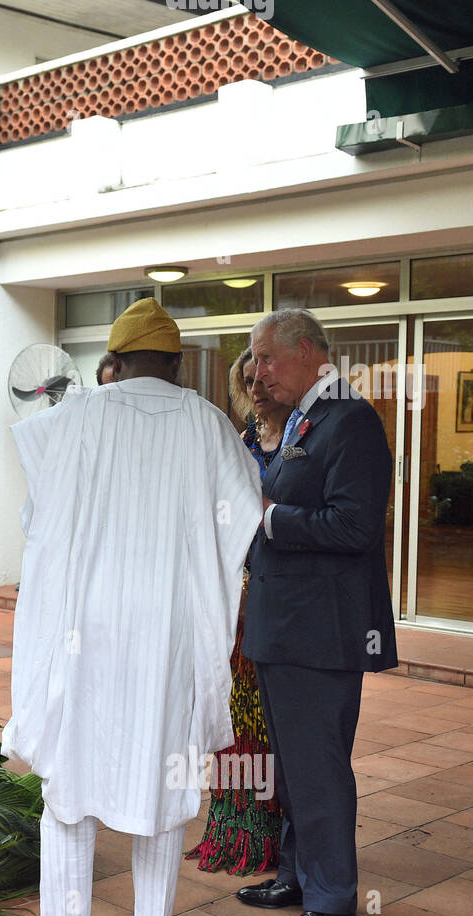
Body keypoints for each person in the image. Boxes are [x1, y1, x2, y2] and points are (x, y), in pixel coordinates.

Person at [5, 298, 263, 916]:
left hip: (84, 634)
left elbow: (38, 513)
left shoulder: (77, 417)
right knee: (164, 780)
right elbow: (246, 523)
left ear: (115, 361)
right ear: (176, 363)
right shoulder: (208, 425)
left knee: (71, 782)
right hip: (169, 638)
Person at [238, 308, 398, 916]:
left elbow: (355, 526)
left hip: (320, 633)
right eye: (253, 359)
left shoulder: (351, 420)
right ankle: (298, 875)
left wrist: (270, 519)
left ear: (308, 353)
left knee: (319, 766)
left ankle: (332, 899)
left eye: (266, 357)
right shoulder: (303, 418)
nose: (257, 370)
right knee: (294, 763)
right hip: (284, 628)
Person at [186, 348, 289, 875]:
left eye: (264, 379)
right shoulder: (238, 445)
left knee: (274, 728)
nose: (257, 389)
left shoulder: (297, 443)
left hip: (283, 605)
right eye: (247, 381)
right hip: (234, 605)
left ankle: (275, 838)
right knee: (233, 723)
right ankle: (231, 828)